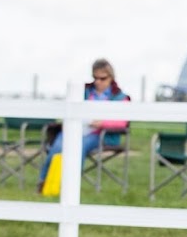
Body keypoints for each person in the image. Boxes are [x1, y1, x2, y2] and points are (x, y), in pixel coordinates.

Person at [37, 58, 130, 193]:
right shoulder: (84, 91)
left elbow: (122, 122)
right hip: (78, 128)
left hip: (102, 135)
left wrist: (102, 123)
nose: (98, 82)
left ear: (111, 77)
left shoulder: (121, 97)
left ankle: (69, 186)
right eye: (95, 78)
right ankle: (44, 182)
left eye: (102, 78)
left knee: (78, 145)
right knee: (57, 145)